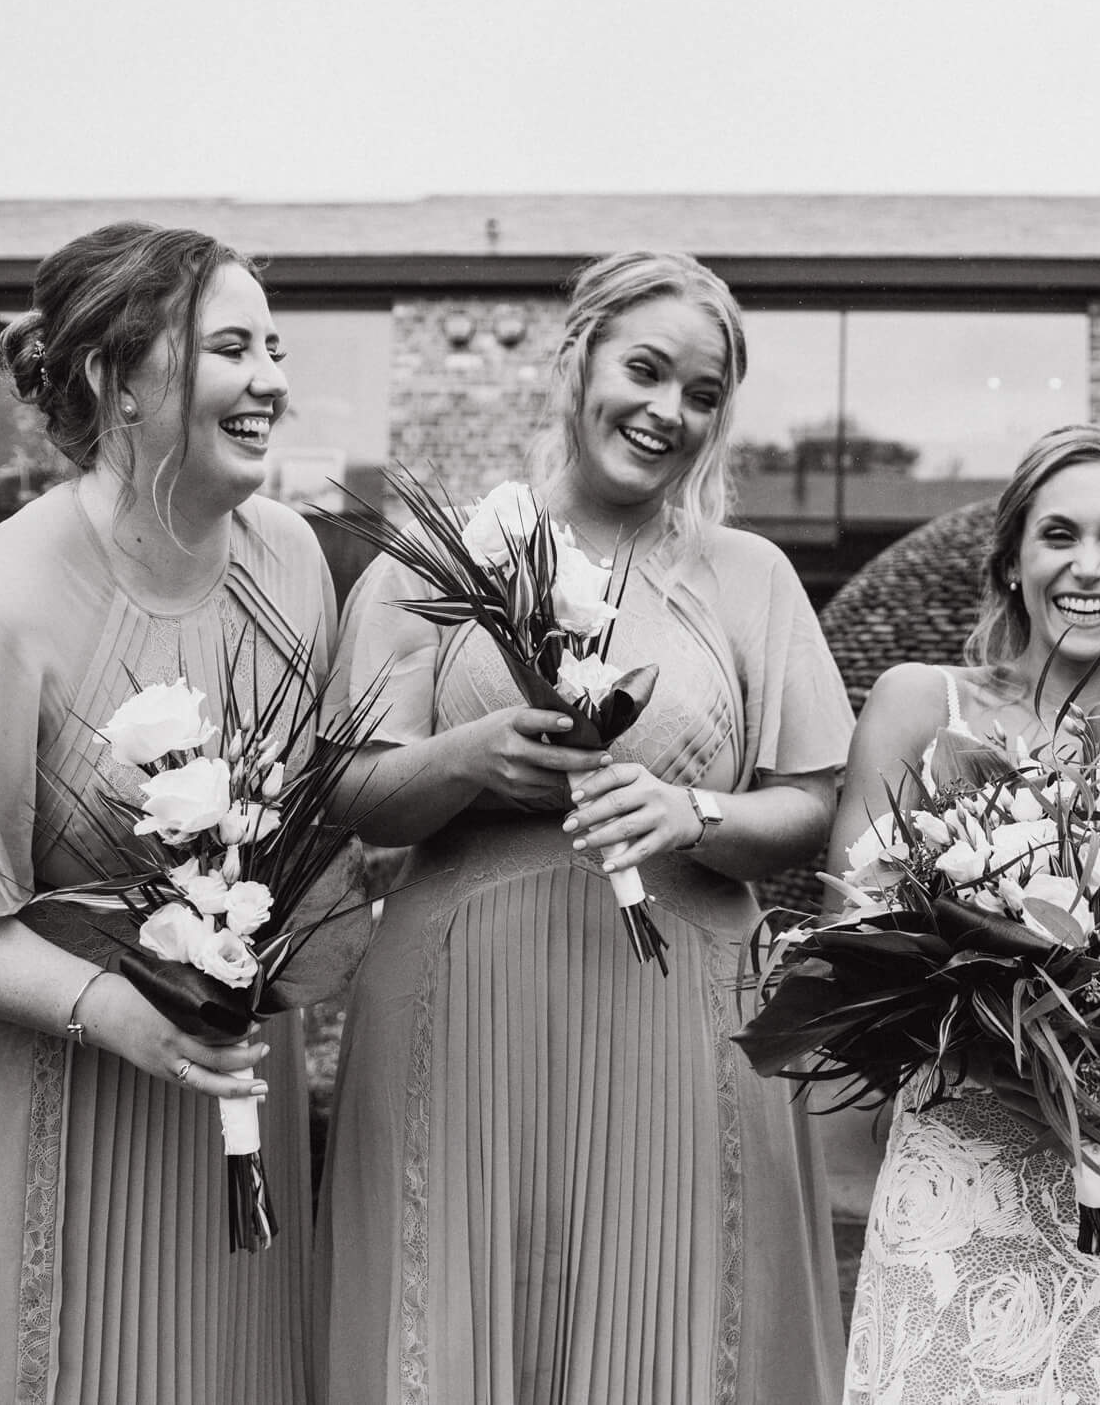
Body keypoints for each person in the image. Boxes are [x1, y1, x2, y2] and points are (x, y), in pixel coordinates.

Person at [0, 223, 334, 1404]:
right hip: (43, 1095)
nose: (273, 381)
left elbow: (306, 815)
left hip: (224, 1098)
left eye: (277, 347)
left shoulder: (292, 562)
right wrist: (109, 1009)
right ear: (115, 378)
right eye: (233, 348)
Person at [314, 250, 851, 1405]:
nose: (668, 412)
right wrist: (469, 755)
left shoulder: (750, 576)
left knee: (675, 1329)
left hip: (685, 1013)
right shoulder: (437, 562)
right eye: (645, 370)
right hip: (462, 1008)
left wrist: (689, 808)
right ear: (577, 359)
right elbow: (352, 790)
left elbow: (808, 805)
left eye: (701, 395)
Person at [832, 423, 1100, 1405]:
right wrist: (1016, 1036)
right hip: (965, 1174)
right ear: (1010, 559)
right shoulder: (919, 704)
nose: (1088, 566)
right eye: (1058, 534)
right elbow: (853, 954)